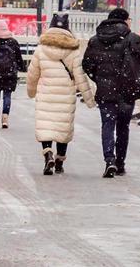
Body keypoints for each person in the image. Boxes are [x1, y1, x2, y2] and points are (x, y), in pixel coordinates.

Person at [81, 7, 140, 178]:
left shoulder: (95, 40)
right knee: (123, 126)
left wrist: (100, 79)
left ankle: (109, 160)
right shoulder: (132, 38)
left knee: (107, 124)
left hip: (106, 91)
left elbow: (87, 64)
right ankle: (120, 163)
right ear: (124, 20)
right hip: (127, 90)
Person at [27, 16, 95, 176]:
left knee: (46, 127)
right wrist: (89, 100)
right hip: (65, 97)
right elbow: (80, 76)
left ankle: (47, 155)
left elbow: (32, 74)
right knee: (62, 129)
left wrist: (31, 91)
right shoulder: (73, 50)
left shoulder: (41, 49)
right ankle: (59, 162)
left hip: (46, 95)